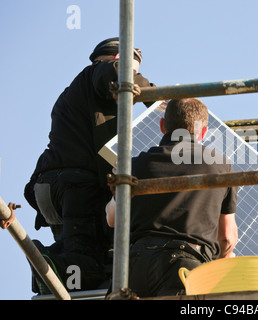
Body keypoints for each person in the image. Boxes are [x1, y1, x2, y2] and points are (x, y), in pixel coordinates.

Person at [23, 37, 155, 294]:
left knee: (82, 252)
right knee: (84, 256)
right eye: (134, 71)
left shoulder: (81, 92)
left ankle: (53, 266)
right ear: (119, 61)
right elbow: (117, 75)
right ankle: (48, 267)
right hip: (74, 184)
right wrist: (161, 101)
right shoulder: (97, 75)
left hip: (52, 186)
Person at [105, 98, 239, 298]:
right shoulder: (220, 167)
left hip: (133, 267)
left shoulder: (136, 165)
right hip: (184, 267)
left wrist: (118, 178)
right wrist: (223, 259)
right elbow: (227, 235)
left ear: (162, 126)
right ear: (203, 132)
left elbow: (112, 218)